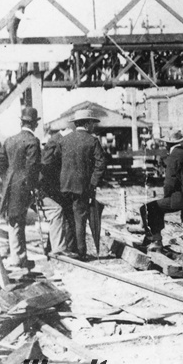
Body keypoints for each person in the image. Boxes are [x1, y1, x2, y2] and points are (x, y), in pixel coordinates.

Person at [0, 107, 42, 270]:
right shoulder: (32, 141)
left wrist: (7, 177)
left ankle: (20, 256)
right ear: (34, 124)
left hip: (9, 186)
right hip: (23, 186)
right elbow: (32, 168)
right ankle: (17, 258)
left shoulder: (9, 140)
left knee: (13, 220)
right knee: (17, 221)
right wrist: (33, 188)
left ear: (21, 122)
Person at [139, 130, 183, 254]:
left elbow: (169, 183)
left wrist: (167, 196)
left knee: (148, 208)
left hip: (179, 198)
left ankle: (155, 240)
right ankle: (152, 238)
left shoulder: (173, 157)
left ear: (168, 144)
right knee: (158, 207)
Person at [58, 109, 106, 259]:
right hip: (82, 187)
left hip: (64, 185)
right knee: (80, 218)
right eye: (92, 123)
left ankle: (70, 249)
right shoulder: (92, 141)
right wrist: (93, 183)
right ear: (87, 124)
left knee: (68, 217)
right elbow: (101, 163)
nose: (94, 126)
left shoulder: (64, 140)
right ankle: (80, 252)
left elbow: (57, 162)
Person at [40, 119, 76, 256]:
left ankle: (61, 246)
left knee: (66, 214)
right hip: (54, 186)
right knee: (62, 213)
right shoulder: (56, 141)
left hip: (59, 185)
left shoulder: (59, 140)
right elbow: (46, 164)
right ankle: (62, 248)